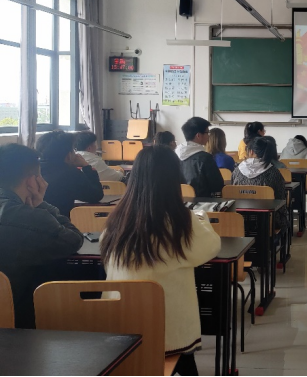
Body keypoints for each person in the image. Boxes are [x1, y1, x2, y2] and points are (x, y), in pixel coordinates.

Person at [101, 146, 220, 376]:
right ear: (174, 179)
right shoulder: (181, 221)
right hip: (168, 332)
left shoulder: (116, 220)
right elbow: (211, 247)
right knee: (184, 360)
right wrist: (202, 218)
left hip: (120, 327)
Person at [0, 144, 84, 329]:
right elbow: (74, 240)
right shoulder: (33, 218)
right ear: (32, 181)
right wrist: (41, 204)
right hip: (16, 329)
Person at [36, 130, 104, 217]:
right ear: (68, 155)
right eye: (73, 150)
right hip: (60, 222)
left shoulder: (30, 171)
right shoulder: (71, 174)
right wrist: (86, 167)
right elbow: (96, 195)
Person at [232, 137, 288, 234]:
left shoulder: (237, 171)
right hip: (267, 222)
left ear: (251, 151)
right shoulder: (273, 172)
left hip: (238, 220)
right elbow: (281, 198)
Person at [175, 117, 224, 198]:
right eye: (207, 133)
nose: (208, 136)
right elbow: (217, 186)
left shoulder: (174, 155)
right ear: (198, 135)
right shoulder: (205, 158)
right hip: (203, 203)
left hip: (180, 202)